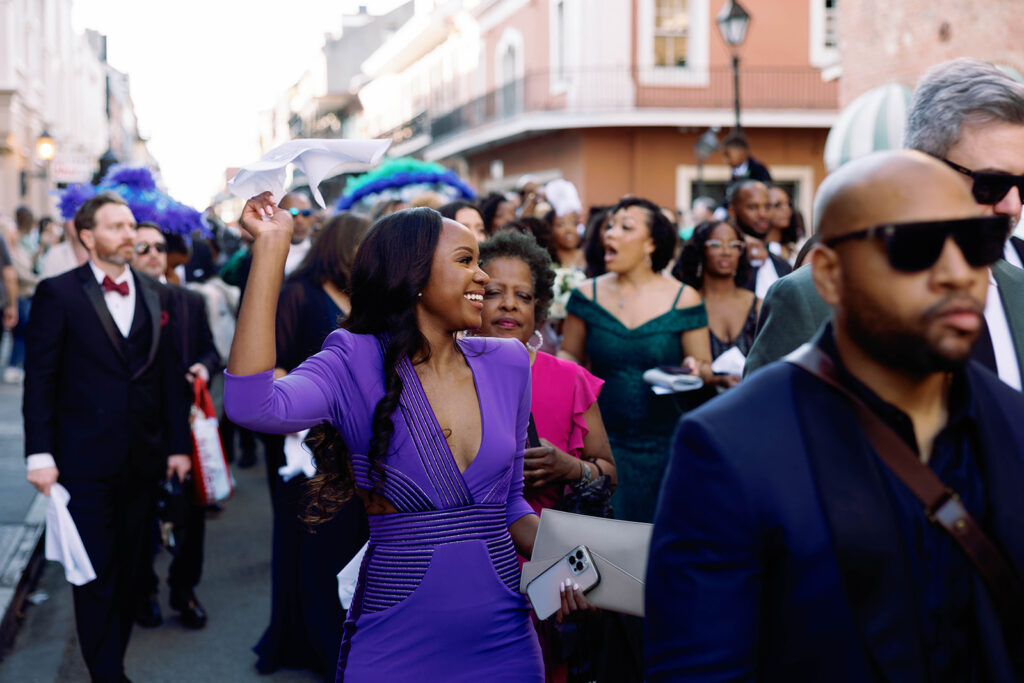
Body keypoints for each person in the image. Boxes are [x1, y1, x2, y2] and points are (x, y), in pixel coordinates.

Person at [647, 149, 1024, 681]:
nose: (957, 273)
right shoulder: (731, 446)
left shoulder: (1013, 422)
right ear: (829, 274)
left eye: (978, 243)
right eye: (915, 246)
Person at [225, 198, 591, 681]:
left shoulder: (508, 363)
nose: (483, 278)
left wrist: (580, 565)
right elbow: (252, 405)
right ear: (414, 276)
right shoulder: (350, 360)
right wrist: (272, 248)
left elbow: (510, 505)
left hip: (505, 636)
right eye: (466, 261)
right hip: (395, 637)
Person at [745, 58, 1024, 388]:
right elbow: (762, 431)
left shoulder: (1018, 292)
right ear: (921, 168)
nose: (1013, 206)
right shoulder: (810, 300)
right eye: (991, 184)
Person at [23, 192, 192, 682]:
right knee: (95, 573)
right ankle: (107, 673)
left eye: (131, 225)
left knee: (134, 568)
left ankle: (112, 657)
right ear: (88, 236)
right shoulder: (58, 293)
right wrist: (39, 453)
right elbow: (41, 379)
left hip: (144, 457)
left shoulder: (157, 294)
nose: (129, 234)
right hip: (81, 460)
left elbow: (168, 376)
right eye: (116, 226)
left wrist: (178, 445)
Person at [476, 230, 615, 682]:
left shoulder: (571, 380)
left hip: (555, 572)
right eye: (494, 292)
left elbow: (609, 472)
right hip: (474, 568)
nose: (510, 304)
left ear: (539, 307)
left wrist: (570, 467)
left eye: (524, 295)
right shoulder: (442, 379)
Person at [255, 212, 371, 677]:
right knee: (311, 542)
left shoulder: (364, 300)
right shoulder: (298, 295)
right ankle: (311, 641)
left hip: (354, 442)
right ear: (341, 246)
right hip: (304, 440)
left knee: (348, 543)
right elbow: (274, 367)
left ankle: (347, 637)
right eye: (364, 245)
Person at [561, 196, 711, 524]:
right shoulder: (587, 295)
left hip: (667, 446)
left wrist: (695, 369)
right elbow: (569, 356)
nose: (609, 234)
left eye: (625, 227)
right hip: (603, 445)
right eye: (610, 226)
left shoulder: (683, 298)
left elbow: (703, 366)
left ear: (651, 243)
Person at [129, 223, 219, 631]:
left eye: (159, 247)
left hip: (185, 423)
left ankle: (184, 590)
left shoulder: (190, 301)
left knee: (192, 512)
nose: (152, 254)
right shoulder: (116, 307)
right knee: (141, 515)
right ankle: (143, 591)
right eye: (142, 246)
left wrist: (203, 365)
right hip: (135, 429)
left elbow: (210, 350)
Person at [673, 220, 759, 386]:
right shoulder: (687, 303)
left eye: (734, 245)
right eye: (716, 244)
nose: (726, 252)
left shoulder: (758, 304)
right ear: (700, 250)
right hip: (701, 404)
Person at [727, 180, 793, 297]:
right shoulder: (725, 259)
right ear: (732, 211)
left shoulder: (783, 266)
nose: (762, 214)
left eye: (767, 207)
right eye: (752, 207)